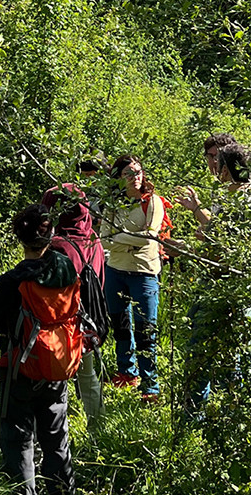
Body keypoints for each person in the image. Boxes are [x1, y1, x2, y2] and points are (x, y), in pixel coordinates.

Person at [0, 204, 78, 495]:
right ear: (51, 236)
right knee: (56, 437)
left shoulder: (12, 281)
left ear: (19, 237)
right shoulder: (69, 273)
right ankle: (63, 490)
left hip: (20, 370)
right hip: (59, 364)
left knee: (19, 441)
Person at [176, 139, 251, 417]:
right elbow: (217, 232)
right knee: (200, 346)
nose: (215, 167)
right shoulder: (226, 195)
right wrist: (200, 219)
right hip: (213, 279)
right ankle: (197, 413)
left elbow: (240, 245)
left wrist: (199, 243)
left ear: (230, 168)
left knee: (243, 349)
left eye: (220, 162)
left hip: (238, 284)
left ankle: (245, 411)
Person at [99, 155, 165, 400]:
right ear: (118, 178)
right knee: (120, 324)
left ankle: (150, 386)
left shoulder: (153, 202)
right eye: (128, 173)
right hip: (115, 270)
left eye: (137, 172)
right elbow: (103, 238)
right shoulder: (113, 204)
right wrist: (130, 239)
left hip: (144, 272)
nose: (135, 177)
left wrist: (119, 237)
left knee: (146, 329)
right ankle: (126, 372)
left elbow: (151, 237)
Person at [41, 183, 105, 426]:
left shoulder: (59, 246)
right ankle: (98, 432)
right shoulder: (94, 240)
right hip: (89, 322)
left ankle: (57, 436)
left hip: (63, 325)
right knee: (88, 377)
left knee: (56, 381)